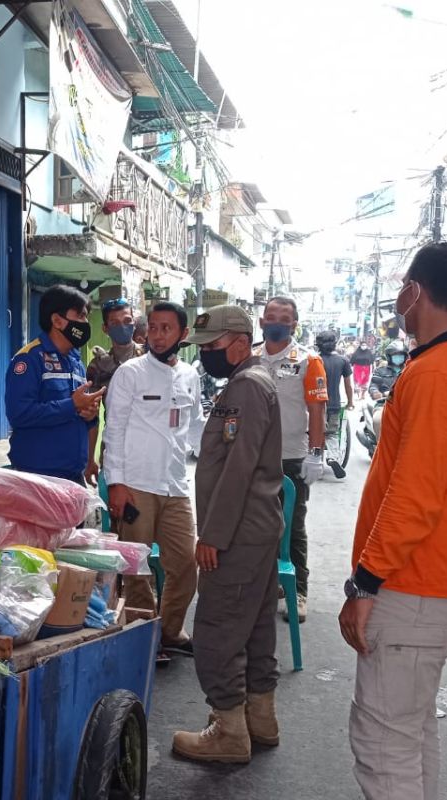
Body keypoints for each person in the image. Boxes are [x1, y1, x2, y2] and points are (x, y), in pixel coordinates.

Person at [339, 240, 447, 800]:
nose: (398, 300)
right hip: (434, 582)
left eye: (403, 288)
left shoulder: (439, 373)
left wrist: (365, 580)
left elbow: (415, 495)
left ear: (416, 292)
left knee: (384, 745)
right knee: (407, 734)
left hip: (413, 585)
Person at [171, 305, 284, 764]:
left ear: (239, 342)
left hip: (237, 532)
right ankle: (260, 720)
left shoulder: (247, 387)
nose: (206, 357)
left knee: (217, 629)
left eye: (212, 347)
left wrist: (212, 536)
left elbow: (238, 469)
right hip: (255, 528)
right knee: (255, 627)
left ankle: (229, 732)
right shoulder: (249, 383)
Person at [103, 302, 202, 662]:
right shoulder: (130, 373)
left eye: (167, 329)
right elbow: (112, 429)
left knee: (186, 566)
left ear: (183, 335)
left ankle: (171, 630)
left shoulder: (191, 375)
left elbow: (195, 430)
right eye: (155, 328)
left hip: (176, 485)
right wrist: (116, 482)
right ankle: (143, 635)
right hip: (136, 484)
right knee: (137, 566)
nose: (159, 336)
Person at [256, 297, 328, 622]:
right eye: (271, 317)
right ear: (261, 321)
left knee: (293, 527)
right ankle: (267, 585)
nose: (277, 323)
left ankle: (298, 591)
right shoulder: (251, 358)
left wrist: (315, 454)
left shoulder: (308, 361)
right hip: (255, 458)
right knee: (256, 525)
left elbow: (317, 409)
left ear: (294, 325)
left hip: (292, 458)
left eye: (284, 318)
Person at [5, 286, 104, 483]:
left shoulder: (76, 362)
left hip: (73, 475)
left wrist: (89, 414)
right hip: (38, 477)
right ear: (57, 320)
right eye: (81, 316)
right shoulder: (29, 360)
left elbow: (79, 415)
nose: (85, 322)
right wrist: (72, 405)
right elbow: (19, 414)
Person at [84, 297, 143, 485]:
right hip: (114, 452)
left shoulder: (152, 358)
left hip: (148, 451)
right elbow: (92, 417)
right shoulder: (98, 366)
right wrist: (89, 459)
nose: (122, 327)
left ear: (134, 322)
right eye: (115, 323)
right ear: (105, 329)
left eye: (127, 321)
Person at [316, 330, 354, 438]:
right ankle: (332, 455)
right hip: (333, 405)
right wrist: (350, 402)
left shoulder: (313, 360)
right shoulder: (343, 361)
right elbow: (348, 385)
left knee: (313, 435)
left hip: (314, 406)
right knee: (331, 436)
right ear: (334, 344)